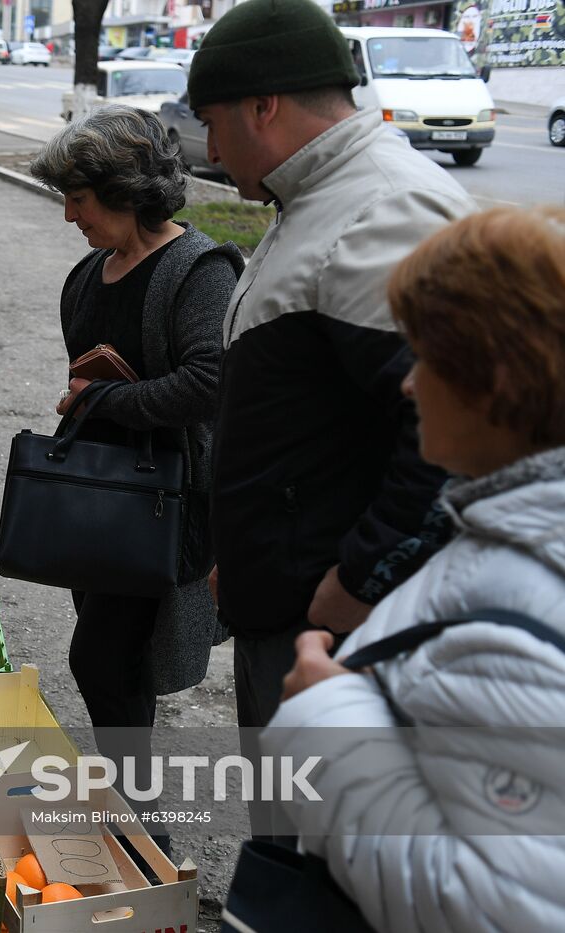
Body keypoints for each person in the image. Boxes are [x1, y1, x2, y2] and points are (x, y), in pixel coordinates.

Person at [185, 0, 477, 837]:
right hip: (290, 596)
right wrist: (239, 553)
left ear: (262, 108)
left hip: (334, 626)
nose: (208, 149)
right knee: (292, 839)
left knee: (324, 855)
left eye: (212, 123)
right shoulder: (319, 198)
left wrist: (356, 581)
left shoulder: (385, 210)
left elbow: (448, 440)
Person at [261, 207, 565, 931]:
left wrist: (326, 712)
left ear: (489, 380)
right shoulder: (510, 534)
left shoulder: (513, 616)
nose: (406, 384)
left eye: (425, 357)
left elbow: (496, 908)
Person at [28, 106, 243, 845]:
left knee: (102, 656)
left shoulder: (200, 270)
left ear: (123, 191)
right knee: (118, 660)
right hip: (103, 501)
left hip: (163, 507)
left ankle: (140, 822)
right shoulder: (90, 272)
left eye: (78, 199)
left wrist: (107, 399)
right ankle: (133, 815)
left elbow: (212, 381)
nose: (68, 216)